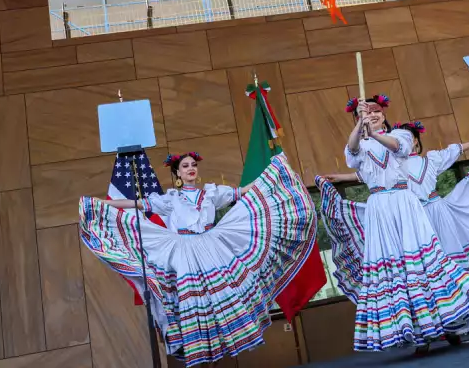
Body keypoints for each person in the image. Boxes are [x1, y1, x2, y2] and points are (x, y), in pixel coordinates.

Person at [79, 150, 316, 366]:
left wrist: (272, 175)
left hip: (213, 246)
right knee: (194, 302)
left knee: (222, 298)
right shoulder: (171, 199)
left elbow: (245, 191)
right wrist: (103, 203)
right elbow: (136, 203)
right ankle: (199, 348)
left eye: (193, 165)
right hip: (186, 252)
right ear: (178, 173)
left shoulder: (212, 193)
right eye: (185, 166)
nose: (191, 168)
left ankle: (224, 344)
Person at [322, 120, 469, 332]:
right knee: (422, 268)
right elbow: (364, 173)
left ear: (415, 142)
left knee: (447, 260)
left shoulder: (430, 159)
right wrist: (340, 177)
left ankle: (462, 317)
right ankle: (430, 322)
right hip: (412, 216)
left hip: (437, 211)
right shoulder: (394, 161)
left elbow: (454, 150)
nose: (411, 143)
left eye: (413, 140)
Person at [316, 95, 469, 354]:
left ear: (384, 115)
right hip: (379, 208)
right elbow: (352, 154)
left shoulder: (400, 135)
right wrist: (360, 125)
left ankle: (450, 323)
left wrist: (373, 134)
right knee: (395, 269)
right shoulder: (359, 145)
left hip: (404, 202)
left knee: (420, 263)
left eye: (376, 111)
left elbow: (398, 147)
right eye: (367, 112)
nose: (373, 115)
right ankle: (419, 334)